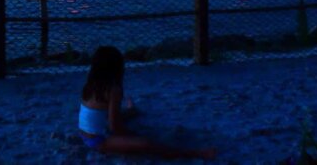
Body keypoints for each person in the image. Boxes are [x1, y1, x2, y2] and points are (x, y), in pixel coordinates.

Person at [78, 46, 216, 159]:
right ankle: (197, 153)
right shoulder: (113, 89)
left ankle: (132, 110)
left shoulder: (92, 84)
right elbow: (114, 127)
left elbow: (105, 116)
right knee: (147, 144)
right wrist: (133, 135)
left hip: (85, 133)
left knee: (126, 115)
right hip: (98, 140)